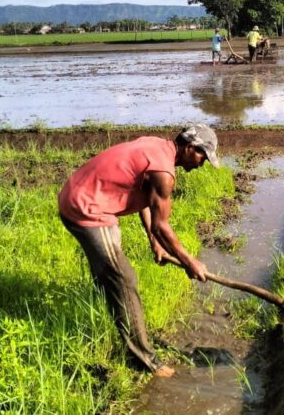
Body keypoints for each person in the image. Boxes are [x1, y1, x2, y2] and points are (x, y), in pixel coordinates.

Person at [58, 124, 219, 377]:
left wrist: (153, 240)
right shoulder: (164, 173)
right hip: (86, 208)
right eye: (202, 156)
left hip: (81, 196)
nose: (202, 164)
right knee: (124, 279)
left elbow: (143, 199)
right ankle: (146, 361)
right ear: (189, 148)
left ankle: (112, 320)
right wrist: (190, 261)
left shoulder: (158, 148)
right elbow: (162, 226)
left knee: (110, 272)